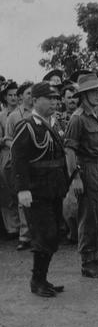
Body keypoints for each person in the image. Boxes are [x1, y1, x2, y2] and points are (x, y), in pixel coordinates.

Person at [10, 82, 69, 297]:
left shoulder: (51, 124)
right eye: (49, 98)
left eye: (56, 98)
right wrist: (22, 189)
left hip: (53, 188)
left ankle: (42, 278)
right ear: (35, 101)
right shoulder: (27, 126)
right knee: (45, 235)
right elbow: (18, 160)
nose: (54, 102)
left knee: (53, 235)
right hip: (35, 190)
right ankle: (37, 281)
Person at [64, 73, 98, 278]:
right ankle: (87, 262)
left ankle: (95, 257)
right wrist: (75, 177)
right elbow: (69, 150)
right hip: (87, 169)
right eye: (93, 92)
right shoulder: (78, 118)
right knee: (88, 216)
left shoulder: (93, 115)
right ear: (84, 95)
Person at [0, 80, 31, 250]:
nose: (31, 97)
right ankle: (24, 235)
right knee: (21, 196)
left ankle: (39, 233)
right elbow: (7, 138)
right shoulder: (13, 116)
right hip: (18, 160)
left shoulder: (37, 112)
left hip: (36, 160)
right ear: (21, 97)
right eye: (28, 94)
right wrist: (19, 150)